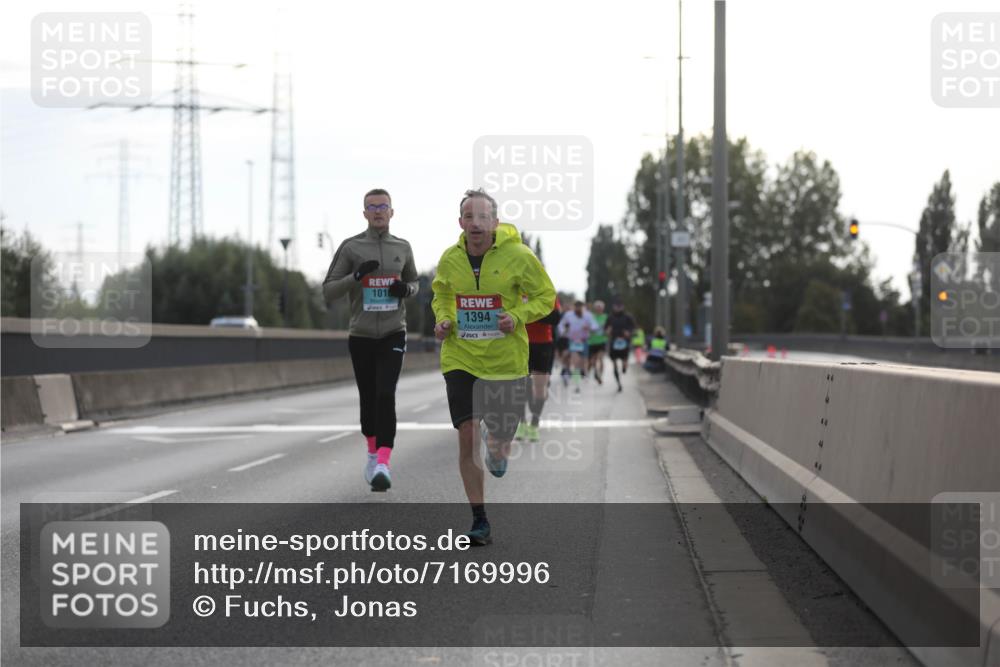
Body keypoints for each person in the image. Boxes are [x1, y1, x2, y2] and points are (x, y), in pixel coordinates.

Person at [432, 189, 555, 546]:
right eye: (469, 217)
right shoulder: (450, 259)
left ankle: (498, 445)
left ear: (495, 222)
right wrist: (443, 318)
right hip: (461, 357)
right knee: (467, 433)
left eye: (483, 217)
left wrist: (517, 315)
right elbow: (442, 294)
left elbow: (546, 296)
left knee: (499, 448)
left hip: (506, 363)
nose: (476, 223)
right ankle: (479, 520)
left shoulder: (519, 256)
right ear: (460, 222)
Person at [323, 188, 418, 492]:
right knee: (368, 397)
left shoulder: (402, 247)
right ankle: (372, 453)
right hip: (362, 335)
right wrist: (355, 277)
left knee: (385, 394)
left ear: (392, 212)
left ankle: (384, 463)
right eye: (372, 207)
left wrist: (406, 290)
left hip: (393, 331)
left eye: (383, 206)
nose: (378, 211)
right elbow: (328, 290)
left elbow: (414, 281)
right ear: (364, 213)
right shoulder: (351, 247)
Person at [516, 295, 561, 442]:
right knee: (520, 386)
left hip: (543, 344)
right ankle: (522, 423)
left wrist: (528, 311)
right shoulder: (517, 290)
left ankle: (534, 424)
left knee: (540, 387)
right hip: (521, 342)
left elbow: (555, 318)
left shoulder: (547, 293)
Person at [558, 301, 597, 393]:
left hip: (584, 342)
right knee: (576, 363)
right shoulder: (568, 315)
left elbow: (595, 326)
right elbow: (561, 325)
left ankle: (574, 372)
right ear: (574, 307)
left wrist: (589, 328)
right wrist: (564, 332)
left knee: (583, 364)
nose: (578, 309)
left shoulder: (588, 315)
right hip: (573, 341)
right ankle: (576, 384)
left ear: (583, 307)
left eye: (580, 307)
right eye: (576, 307)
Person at [604, 297, 636, 392]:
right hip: (614, 342)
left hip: (624, 342)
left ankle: (624, 366)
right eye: (616, 306)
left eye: (619, 306)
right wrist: (607, 331)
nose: (618, 308)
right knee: (614, 364)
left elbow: (633, 328)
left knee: (624, 361)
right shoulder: (610, 317)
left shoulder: (628, 317)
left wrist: (629, 332)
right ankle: (618, 383)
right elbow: (606, 329)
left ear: (623, 307)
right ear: (613, 307)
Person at [586, 300, 608, 384]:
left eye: (600, 307)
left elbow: (609, 327)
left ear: (603, 308)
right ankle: (594, 372)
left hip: (602, 341)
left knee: (600, 358)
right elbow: (587, 326)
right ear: (595, 308)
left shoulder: (606, 317)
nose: (599, 309)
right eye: (597, 307)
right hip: (592, 342)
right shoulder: (591, 317)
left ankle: (600, 376)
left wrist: (607, 331)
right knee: (592, 361)